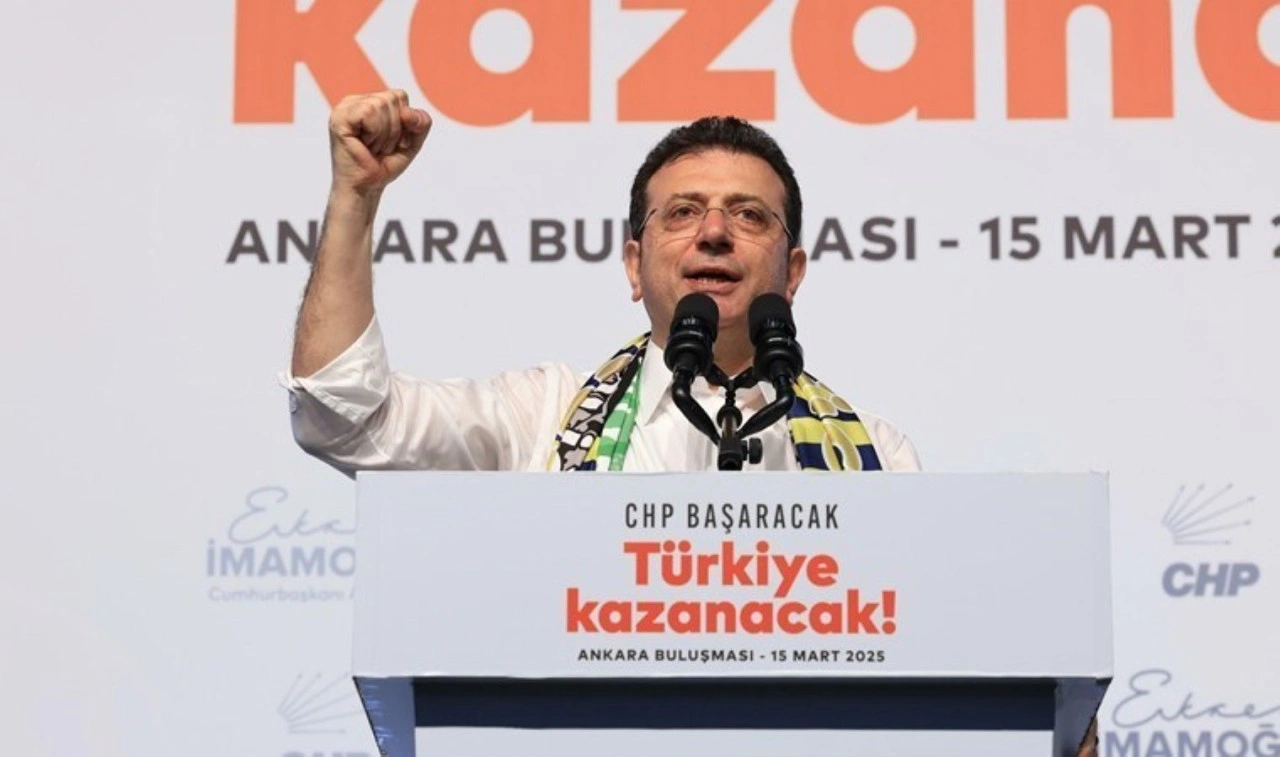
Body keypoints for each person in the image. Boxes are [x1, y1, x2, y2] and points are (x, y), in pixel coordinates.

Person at [282, 88, 921, 475]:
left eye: (749, 215)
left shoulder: (877, 458)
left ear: (794, 273)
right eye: (682, 212)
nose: (714, 231)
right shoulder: (541, 420)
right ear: (633, 266)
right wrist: (356, 197)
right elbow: (344, 419)